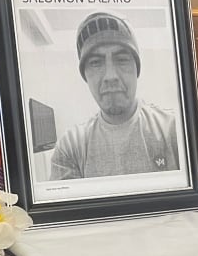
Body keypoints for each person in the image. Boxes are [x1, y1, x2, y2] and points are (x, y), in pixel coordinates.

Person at [48, 11, 180, 180]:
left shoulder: (174, 130)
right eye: (96, 63)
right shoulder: (71, 146)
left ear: (136, 69)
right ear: (85, 76)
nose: (111, 76)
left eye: (122, 59)